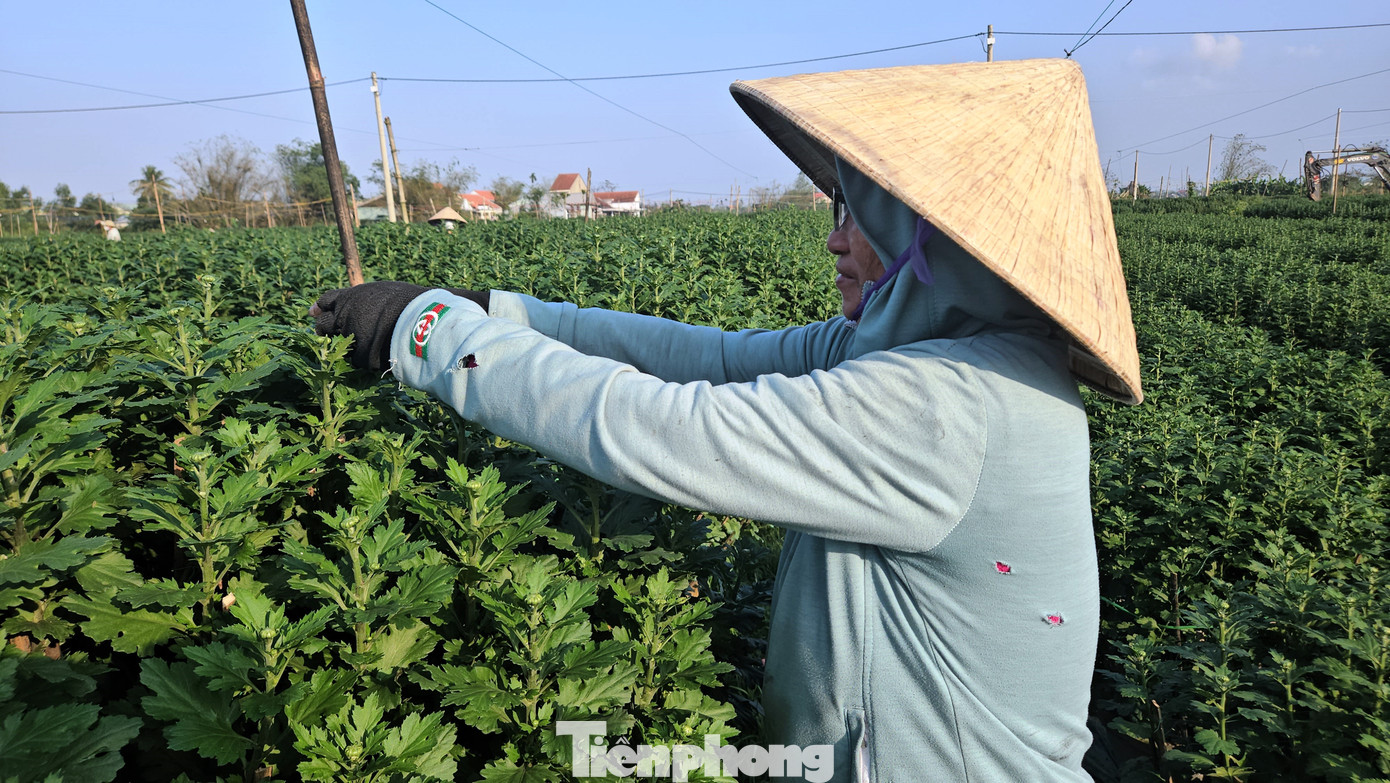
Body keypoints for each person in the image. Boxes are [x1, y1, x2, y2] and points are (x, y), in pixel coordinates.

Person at [311, 59, 1142, 782]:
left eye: (854, 211)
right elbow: (706, 359)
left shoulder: (947, 406)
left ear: (924, 234)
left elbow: (664, 426)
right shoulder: (941, 350)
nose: (834, 241)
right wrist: (507, 314)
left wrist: (427, 333)